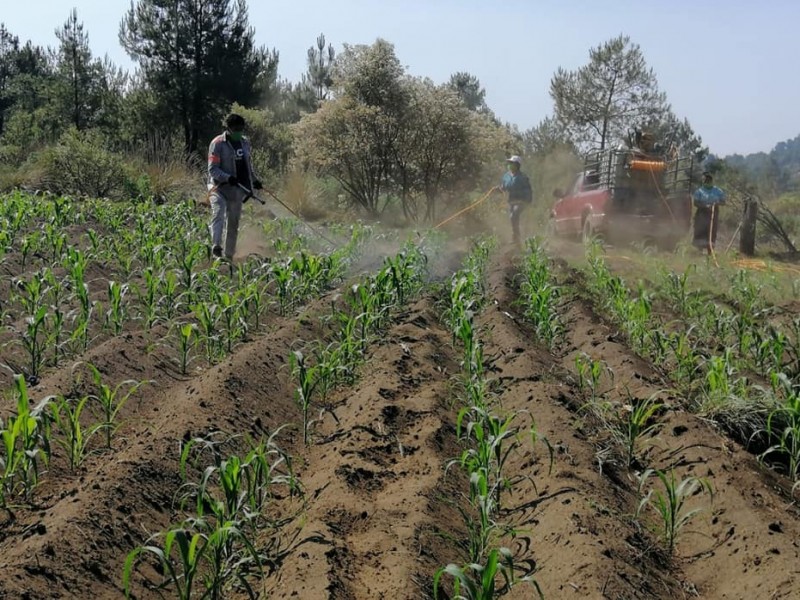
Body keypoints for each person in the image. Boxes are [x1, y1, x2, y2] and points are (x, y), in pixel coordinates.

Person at [207, 113, 263, 260]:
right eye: (236, 129)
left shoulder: (245, 143)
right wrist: (227, 177)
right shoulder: (217, 144)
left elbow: (247, 166)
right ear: (229, 129)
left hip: (236, 189)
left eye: (241, 129)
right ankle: (216, 247)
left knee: (234, 220)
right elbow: (212, 169)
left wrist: (254, 180)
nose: (239, 132)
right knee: (218, 211)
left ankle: (229, 255)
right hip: (218, 187)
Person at [496, 155, 533, 244]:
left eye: (512, 163)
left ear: (517, 165)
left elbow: (528, 189)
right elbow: (503, 187)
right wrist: (498, 189)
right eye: (509, 163)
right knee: (513, 218)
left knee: (513, 216)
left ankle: (516, 237)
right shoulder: (506, 176)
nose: (509, 165)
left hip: (521, 201)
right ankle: (517, 238)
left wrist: (528, 200)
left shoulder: (523, 177)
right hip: (511, 201)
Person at [692, 171, 725, 254]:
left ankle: (710, 250)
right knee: (700, 230)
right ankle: (699, 250)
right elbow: (695, 203)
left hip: (713, 213)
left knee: (711, 231)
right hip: (702, 213)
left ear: (711, 181)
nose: (705, 182)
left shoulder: (718, 191)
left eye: (707, 181)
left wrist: (716, 203)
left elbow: (723, 202)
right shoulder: (699, 191)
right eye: (704, 181)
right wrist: (705, 206)